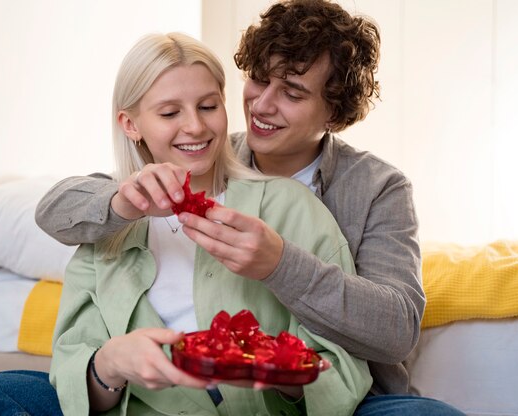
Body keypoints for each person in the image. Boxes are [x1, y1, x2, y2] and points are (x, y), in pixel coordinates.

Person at [34, 1, 466, 415]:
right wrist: (119, 201)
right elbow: (59, 207)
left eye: (292, 93)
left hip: (345, 394)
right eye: (259, 80)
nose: (260, 106)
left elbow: (396, 331)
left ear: (333, 113)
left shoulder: (375, 188)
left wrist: (278, 264)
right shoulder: (202, 153)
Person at [0, 32, 372, 416]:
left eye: (208, 105)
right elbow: (76, 378)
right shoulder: (109, 223)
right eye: (169, 113)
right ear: (130, 124)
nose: (195, 126)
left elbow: (340, 367)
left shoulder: (291, 207)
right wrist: (109, 363)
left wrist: (278, 372)